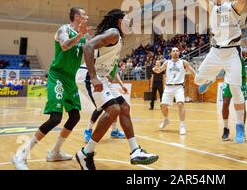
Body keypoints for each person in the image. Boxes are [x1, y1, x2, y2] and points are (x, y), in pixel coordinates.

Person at [75, 9, 158, 170]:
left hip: (103, 77)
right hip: (88, 75)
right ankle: (86, 153)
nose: (130, 22)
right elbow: (88, 47)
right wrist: (93, 77)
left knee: (124, 107)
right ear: (120, 20)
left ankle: (135, 150)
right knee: (113, 109)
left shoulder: (117, 36)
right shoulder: (113, 32)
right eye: (127, 19)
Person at [11, 7, 89, 170]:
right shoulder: (64, 29)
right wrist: (81, 35)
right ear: (76, 17)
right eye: (84, 15)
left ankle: (54, 152)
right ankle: (21, 154)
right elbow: (65, 45)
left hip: (70, 79)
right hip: (58, 76)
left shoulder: (84, 36)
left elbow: (88, 52)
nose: (87, 17)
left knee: (74, 117)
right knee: (55, 118)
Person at [194, 0, 247, 143]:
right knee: (197, 80)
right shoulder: (211, 6)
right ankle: (209, 79)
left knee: (236, 91)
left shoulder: (232, 6)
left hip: (232, 52)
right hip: (215, 52)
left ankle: (239, 127)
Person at [77, 64, 127, 142]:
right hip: (99, 79)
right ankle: (88, 129)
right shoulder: (106, 54)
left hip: (107, 82)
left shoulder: (115, 58)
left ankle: (114, 131)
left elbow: (115, 73)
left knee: (118, 104)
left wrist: (122, 85)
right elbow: (98, 66)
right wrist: (107, 76)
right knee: (100, 107)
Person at [152, 47, 196, 135]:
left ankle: (182, 125)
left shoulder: (183, 62)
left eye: (177, 51)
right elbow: (160, 70)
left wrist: (198, 77)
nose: (175, 52)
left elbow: (192, 70)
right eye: (173, 51)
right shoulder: (167, 62)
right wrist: (156, 69)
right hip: (168, 87)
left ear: (179, 53)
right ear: (171, 54)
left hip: (179, 87)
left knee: (180, 104)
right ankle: (166, 119)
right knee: (163, 106)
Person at [221, 47, 247, 141]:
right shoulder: (224, 52)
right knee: (225, 103)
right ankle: (226, 128)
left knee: (242, 106)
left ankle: (241, 130)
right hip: (228, 80)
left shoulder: (239, 50)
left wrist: (239, 49)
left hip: (240, 81)